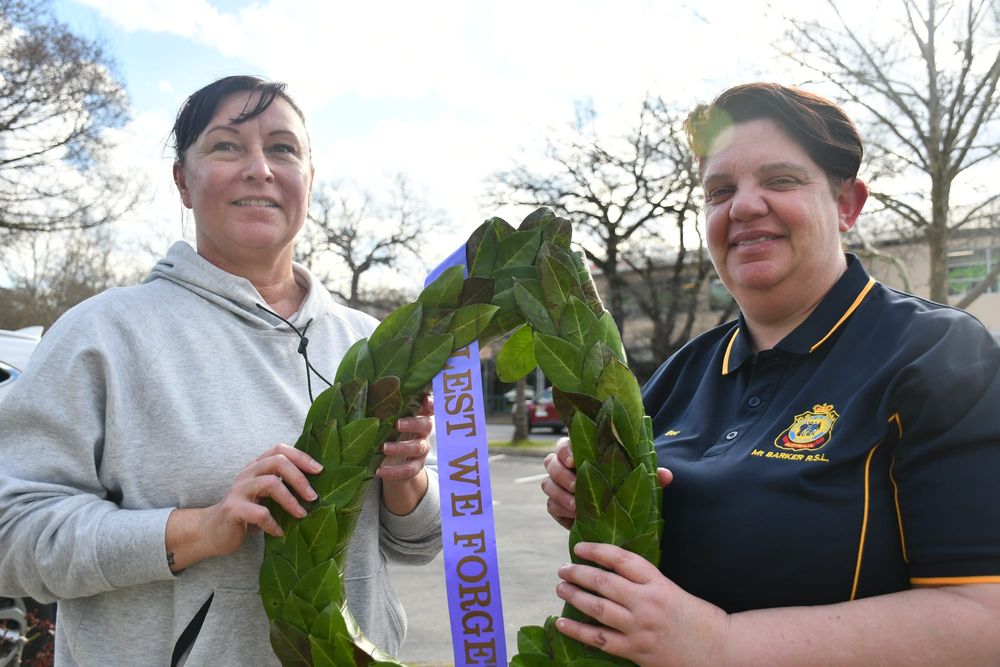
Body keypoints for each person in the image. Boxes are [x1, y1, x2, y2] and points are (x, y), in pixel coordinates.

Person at [542, 82, 1000, 665]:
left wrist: (718, 643)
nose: (744, 206)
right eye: (720, 190)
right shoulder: (682, 372)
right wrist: (588, 491)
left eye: (780, 180)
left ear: (847, 204)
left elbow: (984, 622)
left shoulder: (938, 354)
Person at [0, 75, 441, 666]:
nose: (259, 168)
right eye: (226, 146)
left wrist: (404, 479)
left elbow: (421, 545)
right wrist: (197, 529)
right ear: (184, 180)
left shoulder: (369, 342)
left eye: (283, 148)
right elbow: (12, 534)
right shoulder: (102, 333)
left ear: (309, 178)